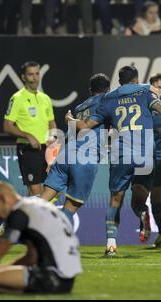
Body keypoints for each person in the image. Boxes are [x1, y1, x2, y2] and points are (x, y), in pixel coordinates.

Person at [66, 66, 161, 255]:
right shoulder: (146, 92)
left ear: (119, 81)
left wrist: (69, 119)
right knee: (139, 196)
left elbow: (87, 125)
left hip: (121, 154)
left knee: (115, 200)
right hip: (146, 155)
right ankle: (142, 212)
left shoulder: (110, 98)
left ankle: (111, 245)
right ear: (136, 79)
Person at [41, 74, 110, 225]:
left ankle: (14, 218)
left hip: (65, 155)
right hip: (85, 158)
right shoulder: (107, 102)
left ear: (90, 90)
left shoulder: (79, 108)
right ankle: (56, 239)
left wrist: (53, 159)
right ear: (108, 89)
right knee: (71, 206)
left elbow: (67, 137)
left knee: (44, 197)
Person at [129, 73, 161, 248]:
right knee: (155, 197)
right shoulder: (146, 106)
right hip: (154, 159)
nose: (159, 86)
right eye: (155, 84)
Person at [3, 61, 57, 197]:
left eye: (37, 74)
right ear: (23, 77)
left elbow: (52, 122)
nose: (34, 77)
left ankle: (40, 215)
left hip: (47, 150)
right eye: (30, 74)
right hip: (28, 149)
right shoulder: (17, 98)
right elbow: (7, 126)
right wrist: (28, 135)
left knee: (54, 189)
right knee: (35, 191)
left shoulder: (45, 98)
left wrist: (53, 136)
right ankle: (35, 217)